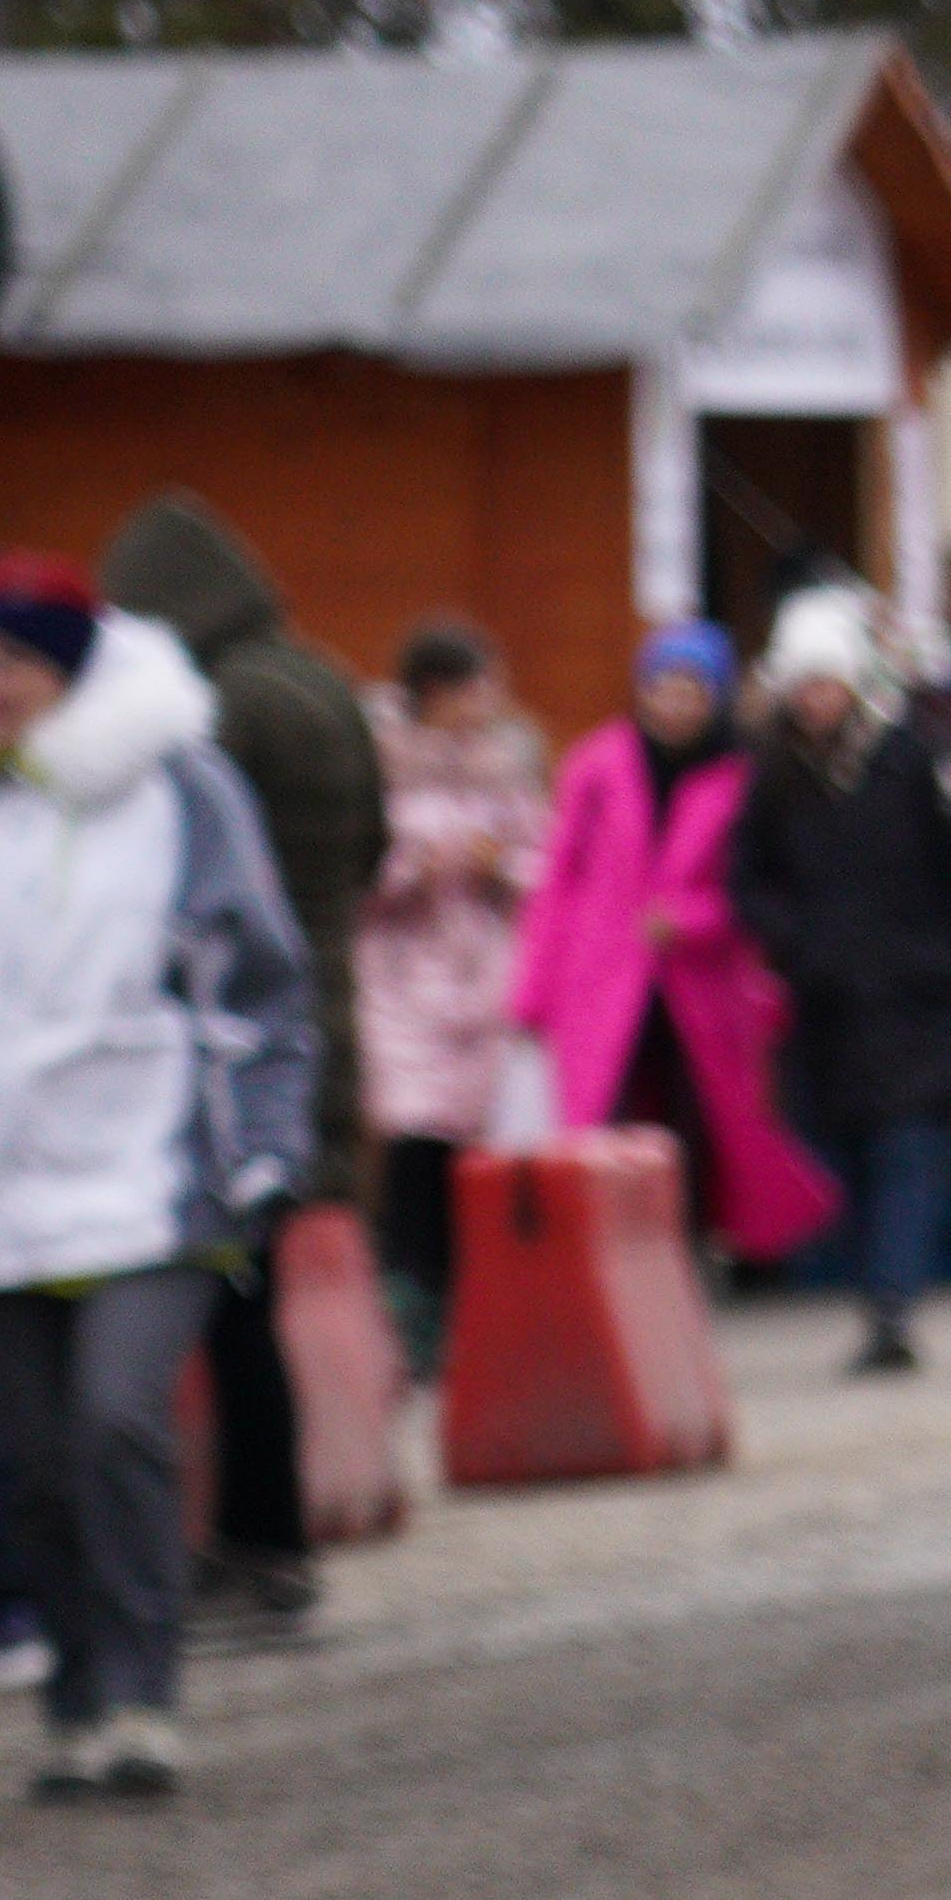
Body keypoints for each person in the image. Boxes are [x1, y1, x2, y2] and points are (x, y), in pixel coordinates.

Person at [0, 559, 303, 1803]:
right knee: (31, 1464)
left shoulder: (180, 786)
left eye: (14, 661)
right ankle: (72, 1693)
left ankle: (145, 1694)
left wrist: (265, 1142)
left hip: (154, 1167)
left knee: (119, 1420)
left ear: (71, 666)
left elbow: (259, 973)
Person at [104, 493, 377, 1625]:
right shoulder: (324, 682)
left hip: (246, 1029)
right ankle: (265, 1540)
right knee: (247, 1298)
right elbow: (371, 854)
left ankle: (262, 1544)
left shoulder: (221, 709)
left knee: (233, 1303)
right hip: (328, 1003)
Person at [732, 587, 951, 1372]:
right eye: (805, 685)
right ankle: (875, 1297)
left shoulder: (905, 761)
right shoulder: (774, 775)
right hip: (825, 1002)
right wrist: (790, 942)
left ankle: (893, 1306)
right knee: (842, 1152)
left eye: (830, 683)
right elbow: (748, 880)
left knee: (909, 1147)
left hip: (911, 987)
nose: (817, 700)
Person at [521, 622, 827, 1290]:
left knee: (699, 1126)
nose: (674, 704)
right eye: (662, 687)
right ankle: (609, 1260)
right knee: (606, 1119)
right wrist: (535, 989)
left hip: (701, 987)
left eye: (691, 690)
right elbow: (560, 876)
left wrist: (690, 920)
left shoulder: (741, 775)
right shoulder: (598, 765)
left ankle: (683, 1258)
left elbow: (754, 885)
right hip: (602, 978)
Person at [351, 624, 544, 1361]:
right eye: (476, 687)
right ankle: (414, 1300)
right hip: (403, 985)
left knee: (477, 1151)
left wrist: (504, 870)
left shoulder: (503, 774)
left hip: (485, 981)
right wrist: (410, 870)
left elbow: (546, 866)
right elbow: (358, 878)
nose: (489, 702)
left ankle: (474, 1306)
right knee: (413, 1142)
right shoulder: (381, 772)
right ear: (436, 692)